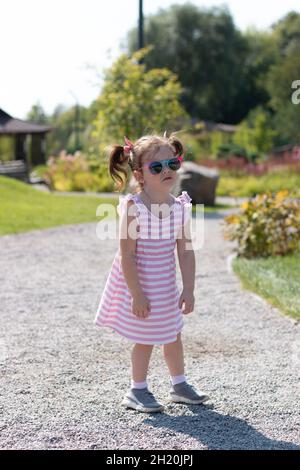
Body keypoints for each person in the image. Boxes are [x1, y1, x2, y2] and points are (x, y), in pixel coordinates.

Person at [94, 132, 210, 413]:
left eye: (172, 163)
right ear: (140, 174)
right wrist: (136, 294)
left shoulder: (179, 208)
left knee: (173, 334)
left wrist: (189, 288)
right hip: (142, 286)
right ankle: (137, 390)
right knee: (145, 338)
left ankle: (179, 384)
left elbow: (185, 251)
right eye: (157, 167)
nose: (167, 170)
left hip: (166, 287)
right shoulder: (135, 209)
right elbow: (127, 255)